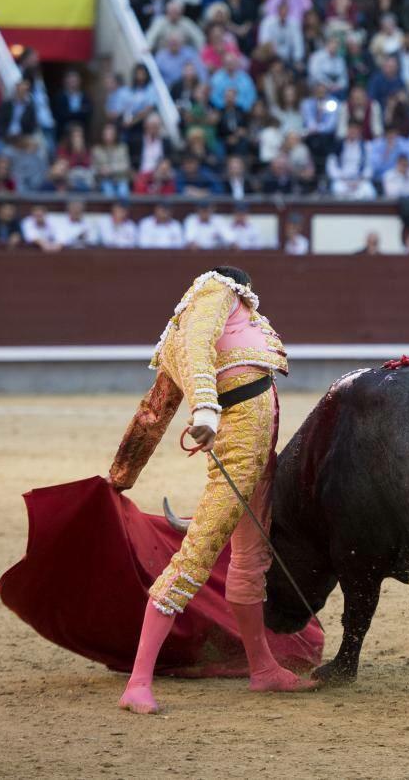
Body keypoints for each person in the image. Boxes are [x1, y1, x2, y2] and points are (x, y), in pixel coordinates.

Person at [112, 266, 313, 715]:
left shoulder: (177, 336)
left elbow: (152, 414)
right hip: (240, 444)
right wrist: (205, 410)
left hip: (256, 449)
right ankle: (137, 684)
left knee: (250, 558)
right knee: (197, 555)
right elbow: (199, 348)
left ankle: (263, 669)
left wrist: (121, 475)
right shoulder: (216, 290)